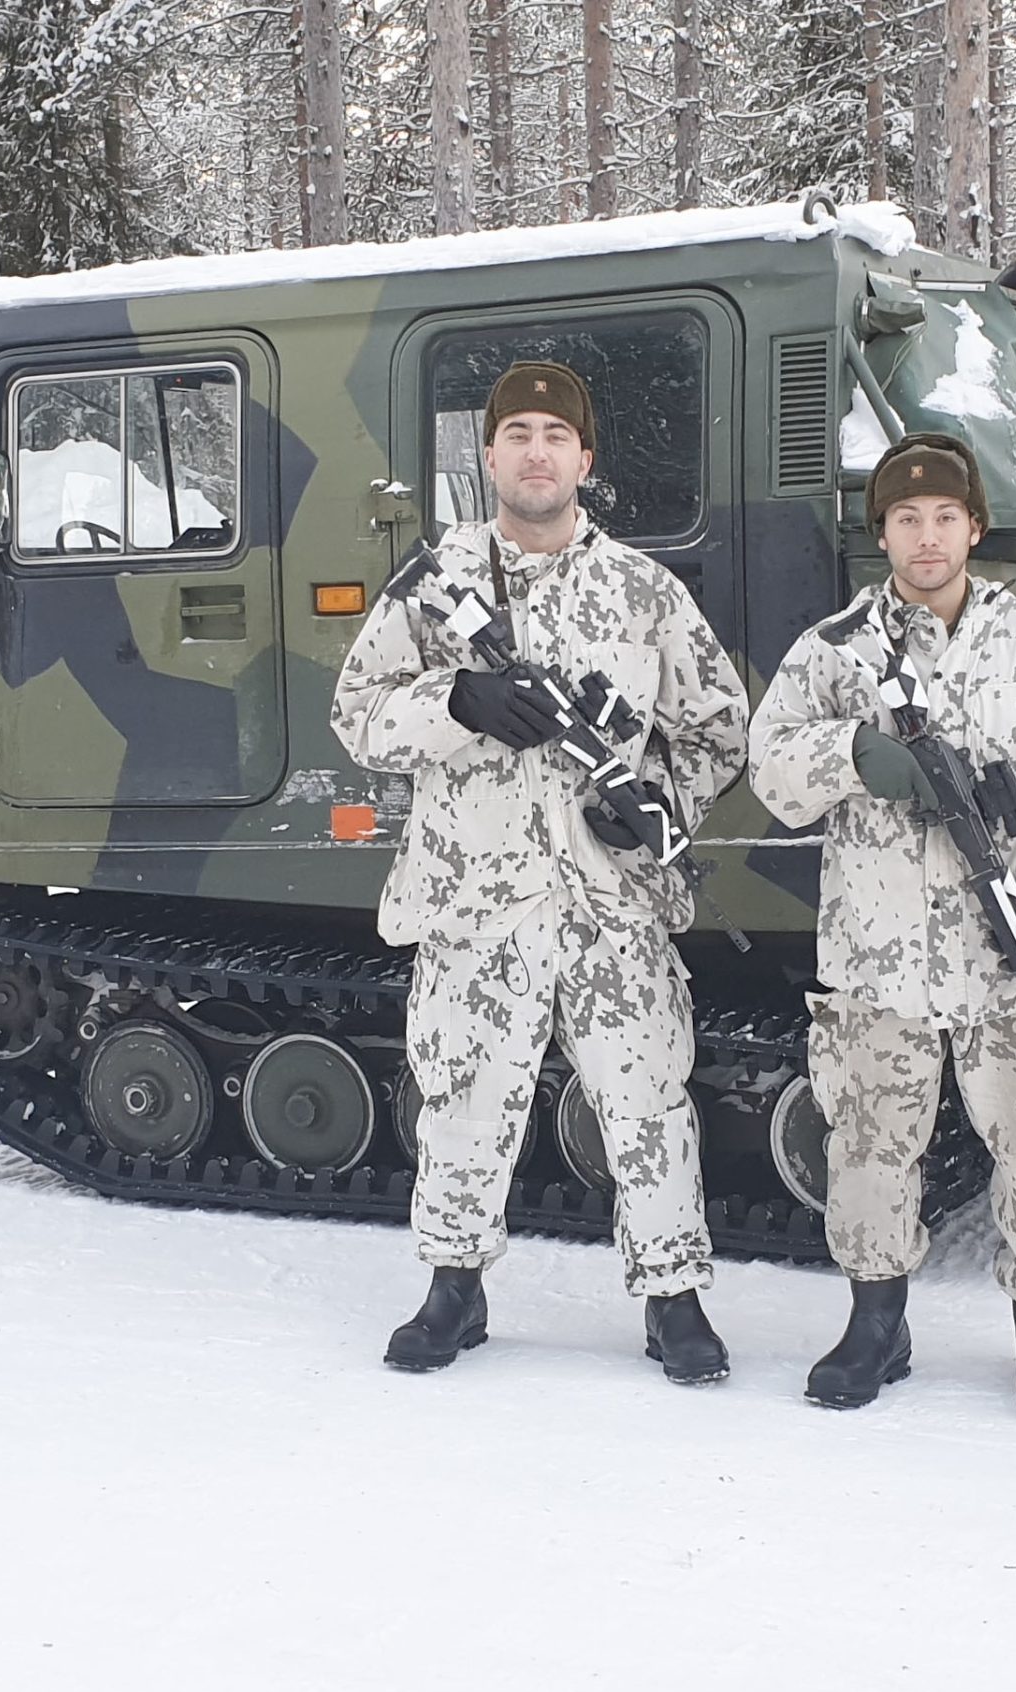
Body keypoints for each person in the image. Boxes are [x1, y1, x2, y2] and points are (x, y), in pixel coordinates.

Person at [330, 360, 749, 1383]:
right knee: (464, 1097)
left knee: (647, 1099)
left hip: (611, 903)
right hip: (476, 897)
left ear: (583, 460)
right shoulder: (434, 588)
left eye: (554, 437)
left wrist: (651, 803)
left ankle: (672, 1295)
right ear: (489, 456)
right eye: (516, 433)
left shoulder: (643, 592)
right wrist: (456, 702)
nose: (534, 451)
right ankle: (453, 1286)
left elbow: (718, 728)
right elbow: (357, 716)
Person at [748, 431, 1016, 1415]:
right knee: (868, 1144)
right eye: (906, 519)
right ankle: (877, 1321)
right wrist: (857, 755)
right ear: (883, 534)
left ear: (974, 527)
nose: (925, 536)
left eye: (944, 517)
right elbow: (770, 773)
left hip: (1007, 946)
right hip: (877, 949)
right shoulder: (833, 651)